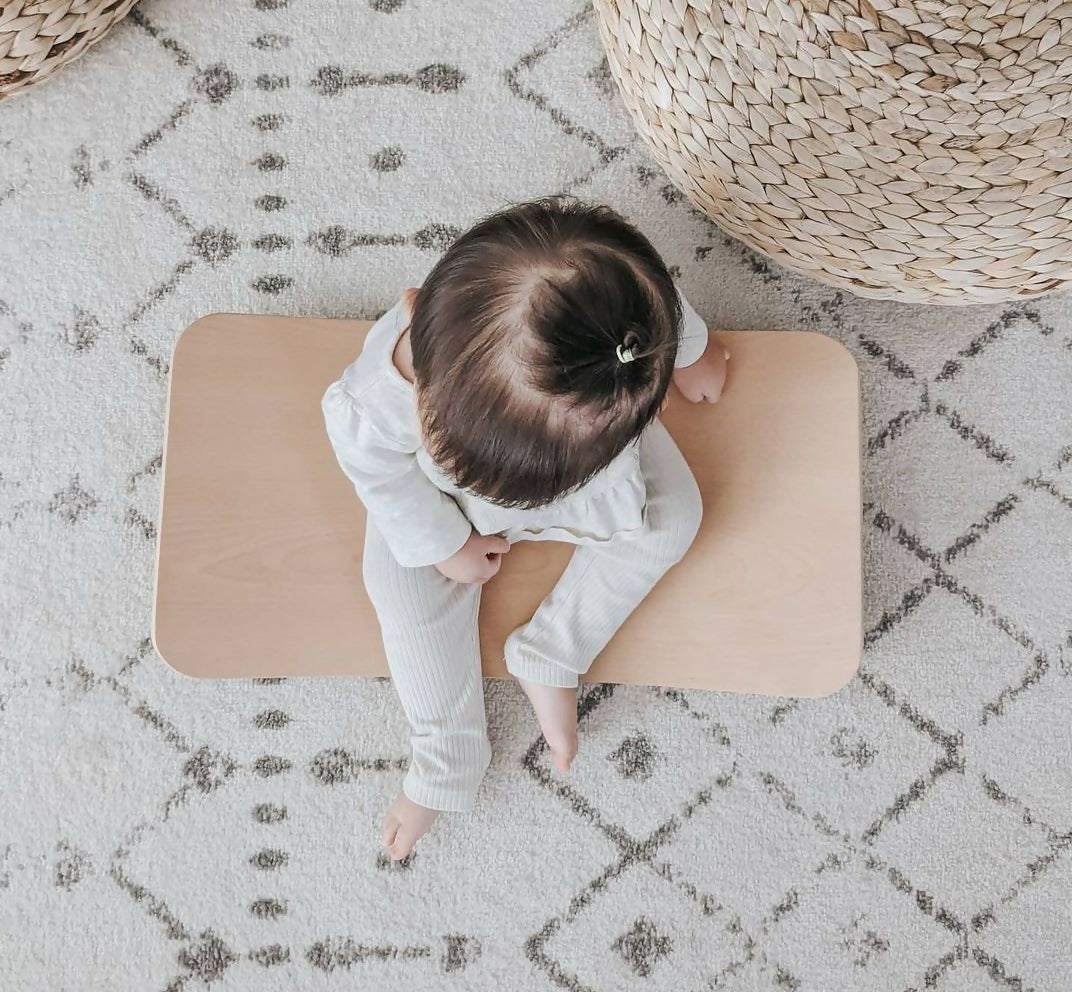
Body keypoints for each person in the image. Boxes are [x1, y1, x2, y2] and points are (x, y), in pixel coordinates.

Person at [323, 198, 728, 859]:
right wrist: (443, 543)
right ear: (414, 307)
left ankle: (552, 653)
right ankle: (445, 754)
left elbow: (664, 308)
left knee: (676, 516)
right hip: (445, 502)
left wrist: (688, 357)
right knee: (398, 584)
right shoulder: (388, 388)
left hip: (593, 466)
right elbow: (371, 464)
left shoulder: (626, 313)